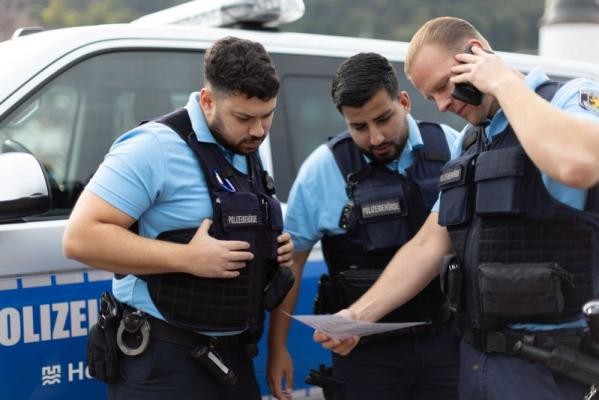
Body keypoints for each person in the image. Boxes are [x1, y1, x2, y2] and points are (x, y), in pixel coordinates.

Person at [314, 17, 599, 400]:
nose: (443, 105)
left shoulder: (568, 98)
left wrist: (503, 82)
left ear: (476, 56)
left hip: (553, 364)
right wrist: (356, 316)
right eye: (432, 98)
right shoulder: (469, 143)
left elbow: (577, 164)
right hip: (478, 361)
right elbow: (429, 244)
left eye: (445, 88)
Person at [63, 36, 294, 400]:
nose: (258, 131)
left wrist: (272, 245)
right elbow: (80, 238)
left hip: (233, 357)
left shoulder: (244, 148)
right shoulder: (152, 146)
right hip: (163, 361)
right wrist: (187, 259)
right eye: (244, 117)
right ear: (207, 100)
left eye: (268, 116)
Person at [268, 52, 460, 400]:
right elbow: (292, 262)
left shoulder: (451, 146)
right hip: (362, 355)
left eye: (384, 119)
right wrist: (278, 347)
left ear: (404, 102)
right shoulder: (322, 170)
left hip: (446, 343)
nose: (375, 138)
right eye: (359, 127)